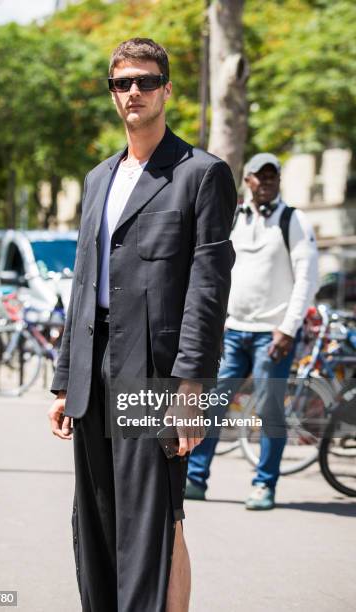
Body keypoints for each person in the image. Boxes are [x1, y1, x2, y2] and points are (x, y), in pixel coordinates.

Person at [48, 38, 236, 612]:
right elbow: (83, 283)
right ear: (112, 92)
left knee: (158, 521)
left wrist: (190, 387)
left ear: (167, 90)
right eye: (122, 82)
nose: (133, 92)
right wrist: (63, 376)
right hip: (94, 365)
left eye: (146, 81)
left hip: (155, 373)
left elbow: (209, 286)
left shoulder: (202, 174)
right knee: (99, 519)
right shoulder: (97, 178)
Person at [186, 152, 319, 509]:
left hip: (272, 334)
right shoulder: (233, 218)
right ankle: (196, 478)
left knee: (269, 410)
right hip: (232, 330)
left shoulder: (294, 220)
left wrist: (288, 328)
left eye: (272, 175)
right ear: (247, 181)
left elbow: (307, 278)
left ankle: (264, 484)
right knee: (211, 405)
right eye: (260, 176)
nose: (267, 181)